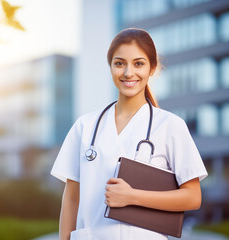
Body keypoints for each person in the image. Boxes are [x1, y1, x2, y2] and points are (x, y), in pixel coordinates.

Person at [50, 28, 208, 240]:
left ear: (152, 68)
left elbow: (192, 197)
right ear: (111, 67)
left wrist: (132, 196)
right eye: (119, 63)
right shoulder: (85, 126)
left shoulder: (170, 125)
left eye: (139, 63)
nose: (128, 72)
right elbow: (71, 197)